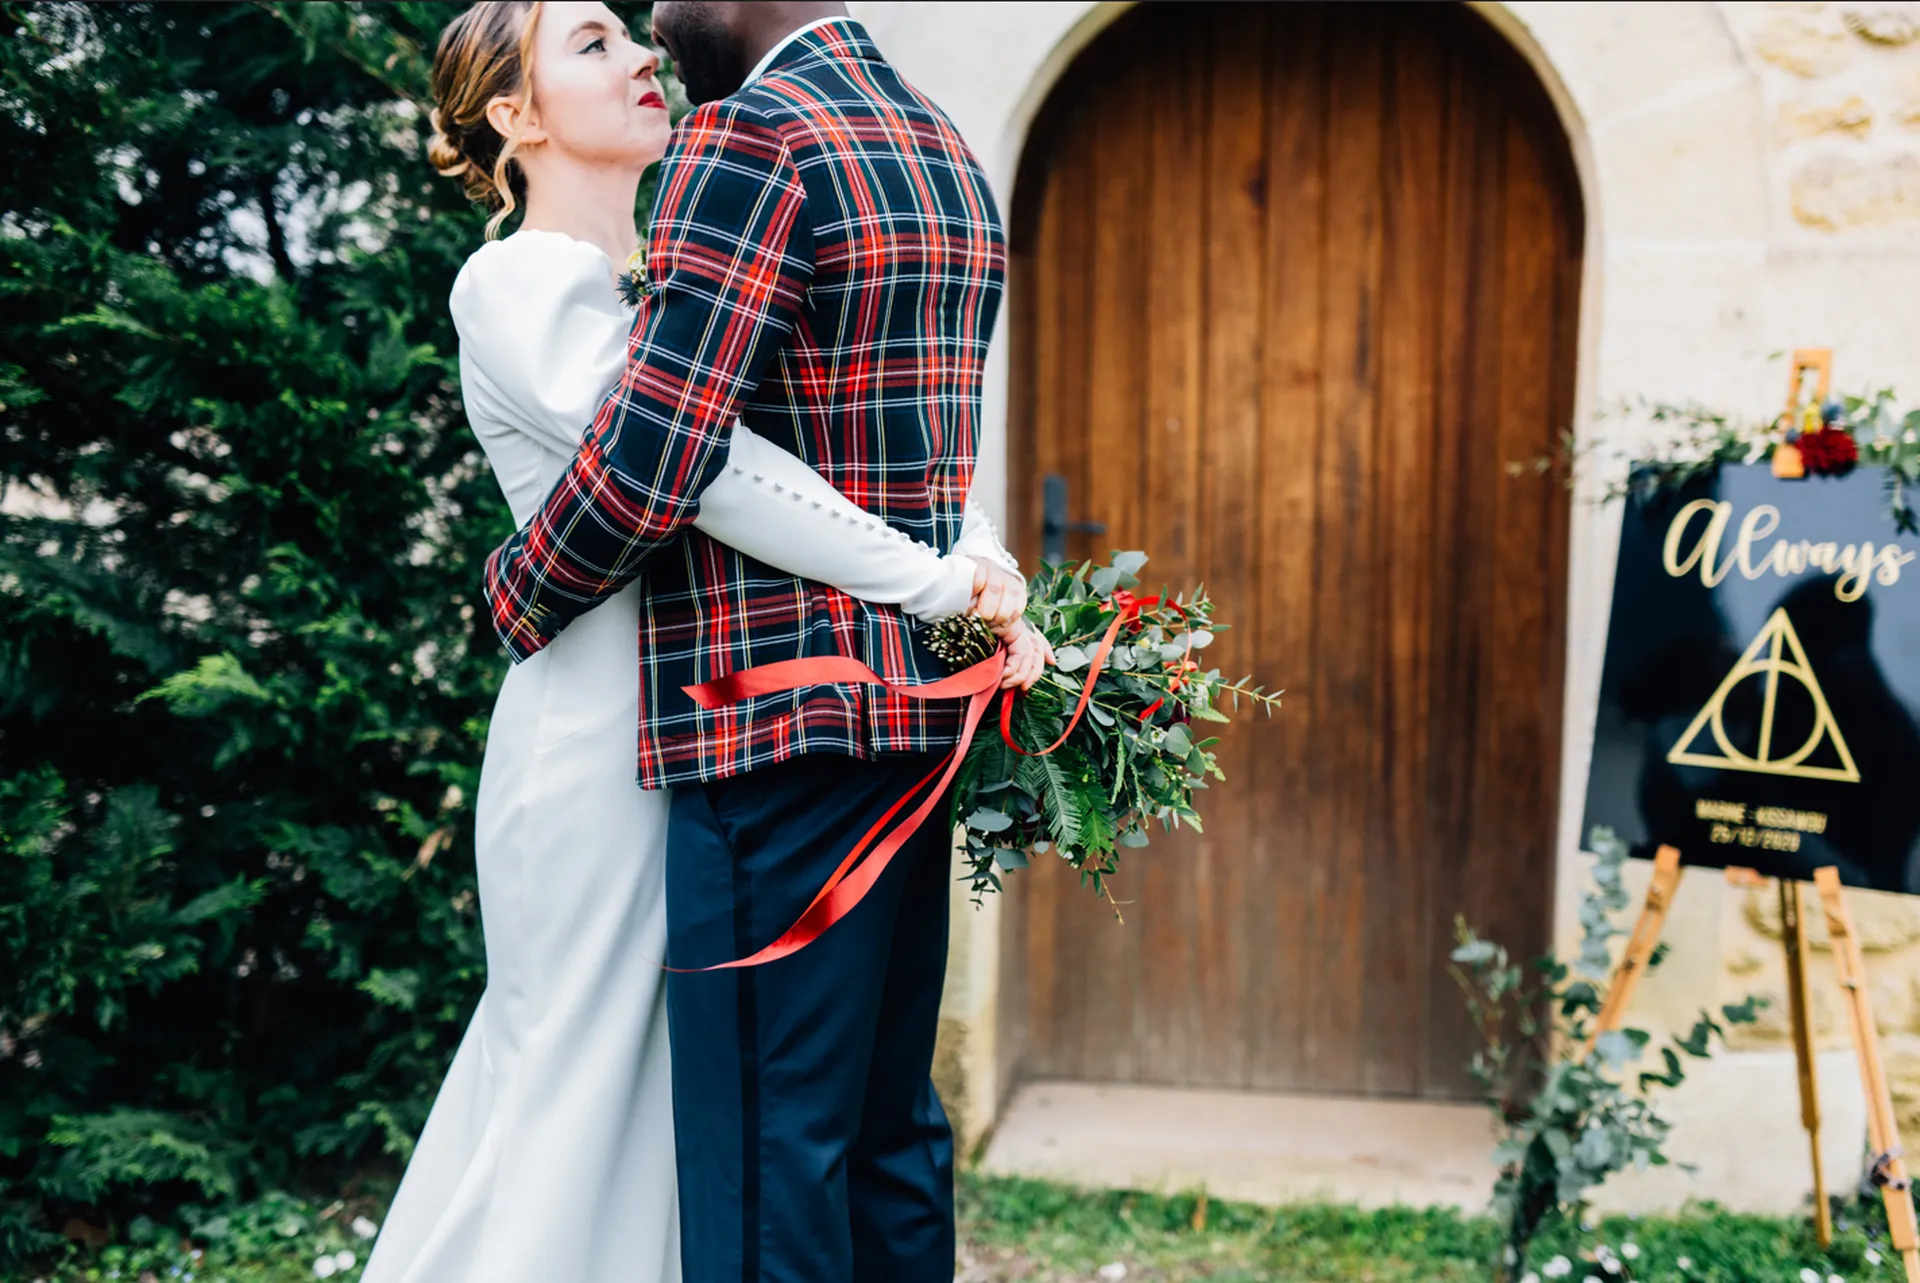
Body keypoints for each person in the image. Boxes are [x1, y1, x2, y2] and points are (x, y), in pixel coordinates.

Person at [364, 4, 1040, 1282]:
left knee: (711, 1112)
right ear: (513, 116)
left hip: (717, 720)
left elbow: (845, 427)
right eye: (592, 44)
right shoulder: (516, 282)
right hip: (601, 740)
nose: (642, 56)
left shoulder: (684, 253)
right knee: (586, 1088)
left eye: (629, 35)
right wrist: (935, 576)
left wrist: (973, 549)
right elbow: (696, 463)